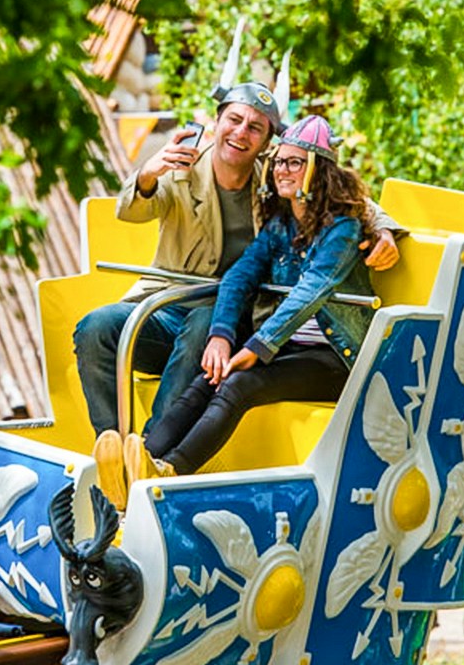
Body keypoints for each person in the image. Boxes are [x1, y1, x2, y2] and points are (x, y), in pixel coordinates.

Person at [73, 77, 402, 447]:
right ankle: (111, 444)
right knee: (95, 327)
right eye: (234, 120)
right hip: (170, 304)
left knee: (203, 325)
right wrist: (148, 174)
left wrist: (384, 229)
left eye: (255, 127)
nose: (241, 133)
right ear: (217, 123)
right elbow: (131, 211)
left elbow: (341, 194)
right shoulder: (182, 169)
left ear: (266, 142)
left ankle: (151, 448)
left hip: (234, 317)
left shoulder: (275, 173)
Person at [125, 115, 375, 479]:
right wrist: (222, 336)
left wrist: (257, 347)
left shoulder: (343, 229)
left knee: (239, 384)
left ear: (318, 171)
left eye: (294, 162)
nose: (280, 170)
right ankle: (141, 460)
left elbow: (310, 292)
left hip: (336, 359)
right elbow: (238, 277)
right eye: (278, 161)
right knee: (207, 378)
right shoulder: (281, 226)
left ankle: (168, 472)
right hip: (287, 350)